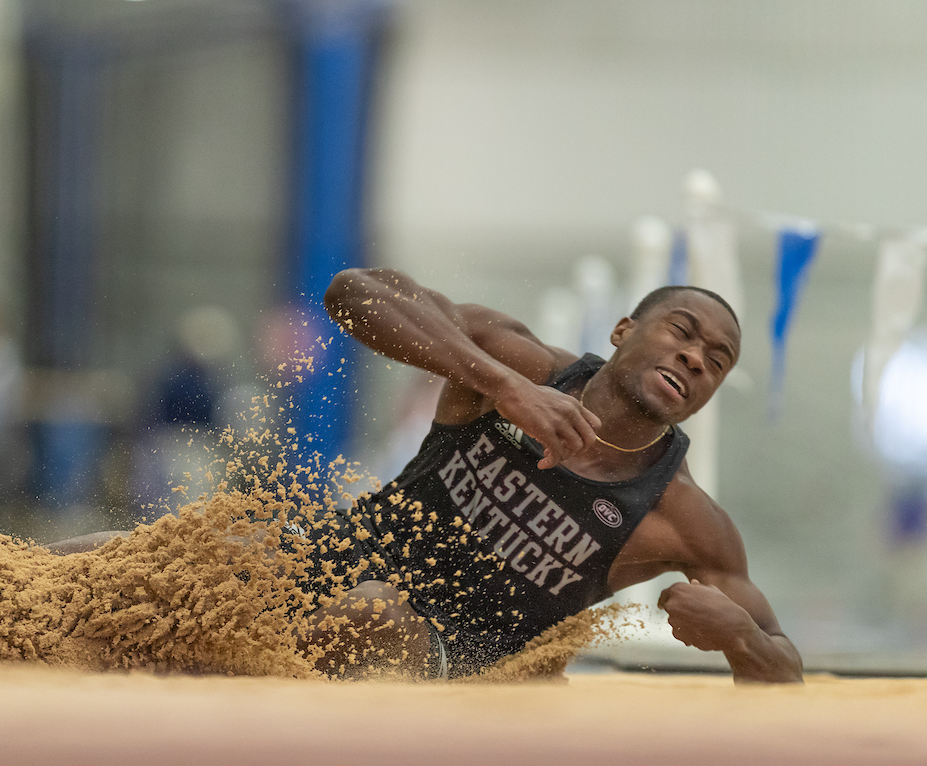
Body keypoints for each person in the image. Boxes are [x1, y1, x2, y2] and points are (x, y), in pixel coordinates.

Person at [297, 267, 803, 683]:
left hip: (446, 652)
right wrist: (504, 387)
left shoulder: (680, 514)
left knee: (374, 612)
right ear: (622, 330)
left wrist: (742, 637)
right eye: (681, 331)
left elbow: (784, 669)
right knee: (241, 545)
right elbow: (352, 292)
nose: (695, 358)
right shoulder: (520, 363)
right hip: (348, 550)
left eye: (717, 362)